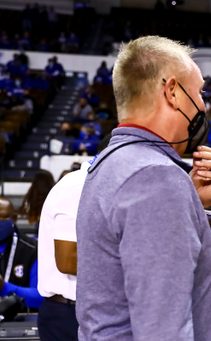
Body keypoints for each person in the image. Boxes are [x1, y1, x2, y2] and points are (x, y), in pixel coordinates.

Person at [75, 36, 211, 341]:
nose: (203, 104)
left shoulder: (110, 162)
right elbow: (163, 330)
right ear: (172, 92)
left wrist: (192, 202)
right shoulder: (157, 176)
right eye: (198, 92)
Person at [37, 135, 111, 341]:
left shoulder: (104, 185)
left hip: (92, 310)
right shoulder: (78, 185)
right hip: (69, 313)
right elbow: (68, 261)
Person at [0, 197, 43, 309]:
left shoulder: (33, 249)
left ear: (14, 219)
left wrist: (4, 287)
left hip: (21, 318)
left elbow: (41, 297)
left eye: (3, 217)